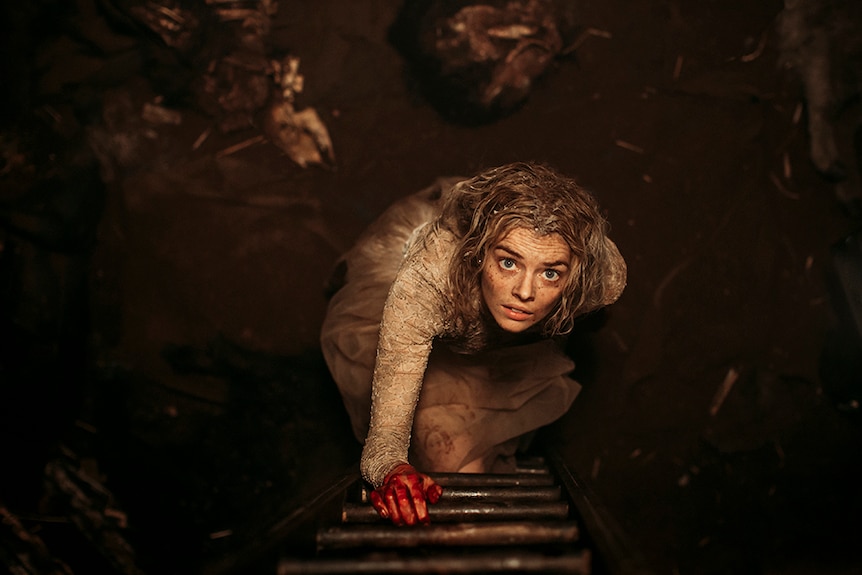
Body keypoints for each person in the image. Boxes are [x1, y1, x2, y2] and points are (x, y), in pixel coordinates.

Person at [320, 161, 626, 526]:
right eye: (508, 263)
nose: (525, 292)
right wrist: (392, 470)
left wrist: (570, 319)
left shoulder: (602, 280)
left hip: (495, 301)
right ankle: (347, 276)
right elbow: (384, 439)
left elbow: (591, 307)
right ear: (480, 255)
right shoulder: (424, 288)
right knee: (445, 449)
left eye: (549, 273)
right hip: (421, 280)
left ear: (573, 274)